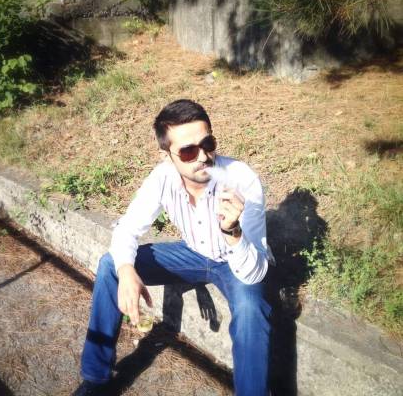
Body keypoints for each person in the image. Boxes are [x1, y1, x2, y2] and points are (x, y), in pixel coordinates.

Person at [74, 99, 273, 396]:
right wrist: (126, 271)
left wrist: (233, 231)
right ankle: (95, 379)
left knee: (250, 309)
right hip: (193, 254)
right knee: (111, 265)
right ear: (168, 156)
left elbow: (254, 273)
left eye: (208, 144)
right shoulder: (162, 177)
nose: (203, 157)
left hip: (236, 260)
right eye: (188, 151)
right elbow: (127, 228)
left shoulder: (242, 180)